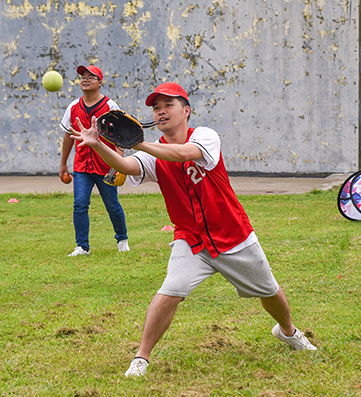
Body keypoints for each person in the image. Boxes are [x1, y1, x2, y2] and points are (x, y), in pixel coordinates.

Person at [69, 82, 317, 377]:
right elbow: (125, 166)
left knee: (269, 290)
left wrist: (140, 144)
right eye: (156, 108)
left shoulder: (204, 136)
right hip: (191, 239)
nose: (161, 111)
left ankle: (288, 331)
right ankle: (141, 357)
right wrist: (97, 145)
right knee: (169, 292)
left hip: (232, 233)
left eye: (168, 105)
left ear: (186, 111)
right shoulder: (152, 154)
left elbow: (184, 153)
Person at [59, 65, 129, 256]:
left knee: (112, 205)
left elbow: (120, 135)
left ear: (100, 82)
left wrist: (119, 163)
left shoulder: (110, 106)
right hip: (82, 166)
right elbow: (68, 136)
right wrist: (64, 163)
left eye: (91, 77)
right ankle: (82, 246)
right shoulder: (73, 107)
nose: (85, 79)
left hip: (106, 166)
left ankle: (122, 239)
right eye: (82, 76)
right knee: (80, 204)